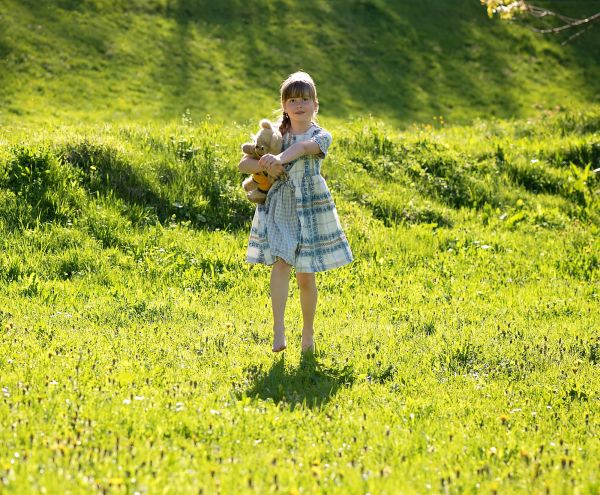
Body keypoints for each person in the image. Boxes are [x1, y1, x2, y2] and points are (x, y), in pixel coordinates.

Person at [238, 71, 353, 353]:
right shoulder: (277, 136)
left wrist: (278, 159)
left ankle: (307, 334)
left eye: (305, 98)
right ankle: (278, 330)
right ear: (284, 107)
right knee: (281, 262)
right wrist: (267, 165)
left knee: (305, 277)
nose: (299, 104)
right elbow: (244, 165)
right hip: (281, 205)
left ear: (315, 104)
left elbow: (303, 148)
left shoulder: (321, 135)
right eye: (292, 100)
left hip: (311, 206)